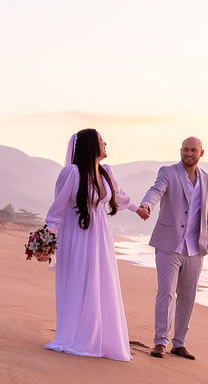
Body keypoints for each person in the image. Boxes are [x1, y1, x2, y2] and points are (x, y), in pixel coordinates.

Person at [44, 128, 146, 361]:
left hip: (102, 239)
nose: (105, 143)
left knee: (101, 283)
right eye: (101, 140)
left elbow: (120, 197)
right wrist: (48, 239)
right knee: (80, 282)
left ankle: (101, 338)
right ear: (91, 145)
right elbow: (56, 211)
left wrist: (138, 209)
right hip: (78, 238)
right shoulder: (71, 173)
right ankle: (77, 336)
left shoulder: (106, 171)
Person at [136, 137, 208, 360]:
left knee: (187, 296)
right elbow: (156, 190)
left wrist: (206, 242)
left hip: (194, 248)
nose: (189, 153)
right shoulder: (168, 172)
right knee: (166, 292)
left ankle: (179, 343)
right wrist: (146, 205)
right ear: (181, 151)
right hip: (168, 244)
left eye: (193, 150)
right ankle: (160, 341)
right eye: (185, 150)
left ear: (201, 153)